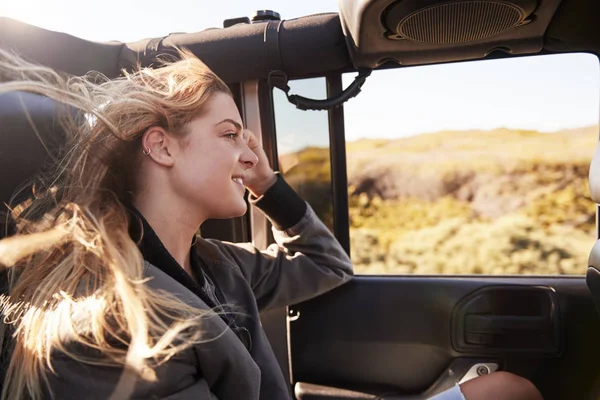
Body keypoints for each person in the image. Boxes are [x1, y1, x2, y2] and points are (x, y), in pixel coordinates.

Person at [0, 48, 542, 400]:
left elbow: (328, 264)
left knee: (508, 388)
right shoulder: (108, 325)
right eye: (230, 134)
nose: (250, 153)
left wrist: (267, 185)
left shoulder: (216, 264)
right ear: (162, 146)